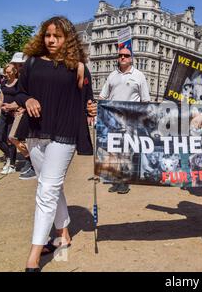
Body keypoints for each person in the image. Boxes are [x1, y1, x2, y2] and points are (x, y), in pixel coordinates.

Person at [15, 16, 95, 272]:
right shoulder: (31, 63)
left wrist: (91, 108)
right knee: (50, 186)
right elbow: (19, 91)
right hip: (35, 132)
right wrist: (26, 100)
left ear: (67, 39)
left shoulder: (79, 68)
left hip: (65, 133)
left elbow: (88, 102)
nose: (51, 40)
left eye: (57, 36)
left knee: (47, 189)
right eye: (48, 35)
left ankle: (33, 256)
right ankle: (64, 234)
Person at [99, 47, 151, 194]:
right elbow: (103, 97)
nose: (123, 57)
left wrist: (141, 119)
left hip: (130, 120)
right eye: (120, 55)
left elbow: (145, 100)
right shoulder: (112, 76)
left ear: (131, 58)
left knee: (126, 152)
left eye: (126, 55)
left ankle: (125, 182)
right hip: (112, 120)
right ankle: (116, 180)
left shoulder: (139, 76)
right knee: (114, 151)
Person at [2, 52, 37, 180]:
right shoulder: (23, 76)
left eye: (20, 64)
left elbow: (30, 96)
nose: (18, 66)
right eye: (17, 64)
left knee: (19, 138)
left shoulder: (29, 76)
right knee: (15, 138)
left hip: (28, 112)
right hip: (22, 111)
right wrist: (12, 106)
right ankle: (31, 161)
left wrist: (19, 107)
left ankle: (33, 163)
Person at [0, 64, 19, 175]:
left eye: (9, 72)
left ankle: (12, 165)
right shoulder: (3, 84)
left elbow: (21, 99)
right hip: (3, 115)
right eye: (6, 72)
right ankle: (8, 157)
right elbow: (1, 99)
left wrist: (13, 106)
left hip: (14, 115)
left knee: (10, 140)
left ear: (15, 71)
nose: (7, 74)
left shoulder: (19, 83)